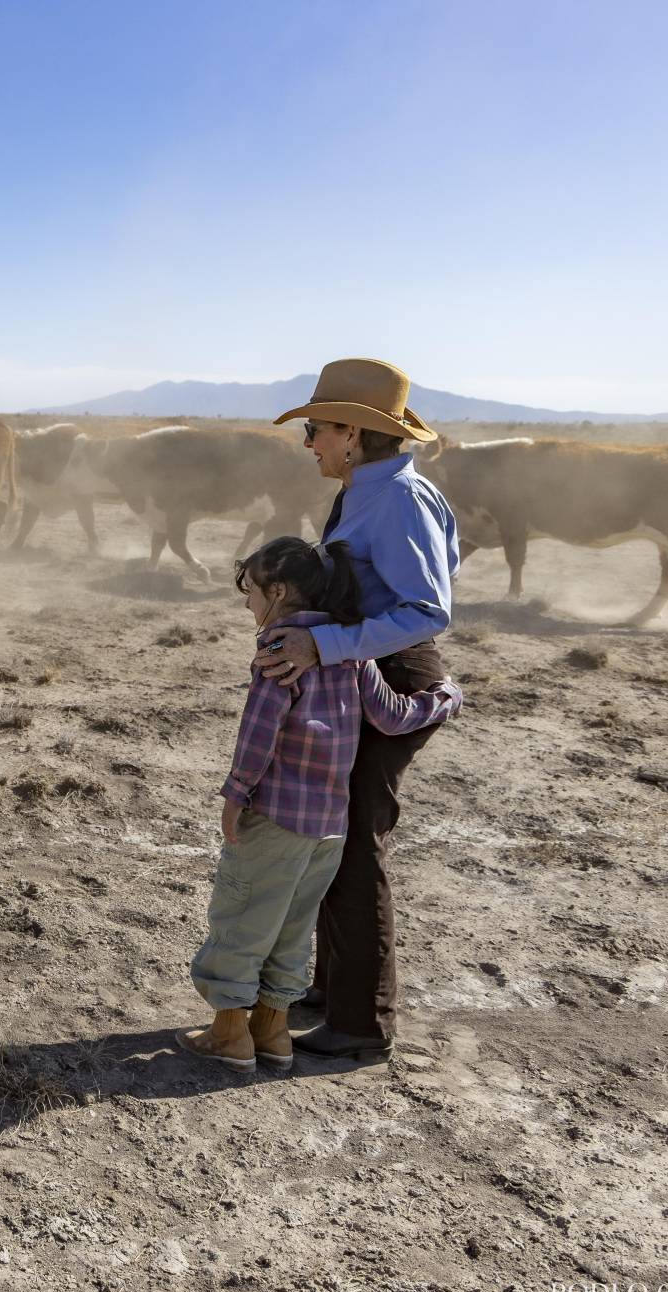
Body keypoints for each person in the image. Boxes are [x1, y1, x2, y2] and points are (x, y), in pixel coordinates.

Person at [179, 536, 462, 1071]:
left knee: (243, 919)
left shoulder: (281, 650)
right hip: (330, 827)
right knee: (293, 927)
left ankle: (230, 1034)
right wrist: (445, 697)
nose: (248, 603)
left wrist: (236, 793)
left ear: (279, 591)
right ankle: (273, 1033)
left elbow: (259, 733)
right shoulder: (350, 651)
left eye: (252, 591)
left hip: (276, 818)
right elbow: (393, 717)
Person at [253, 358, 462, 1061]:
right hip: (369, 667)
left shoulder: (397, 499)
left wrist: (327, 644)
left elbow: (429, 607)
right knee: (335, 835)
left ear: (353, 432)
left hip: (391, 674)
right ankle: (334, 989)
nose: (309, 441)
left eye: (316, 428)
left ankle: (364, 1023)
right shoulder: (374, 492)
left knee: (353, 845)